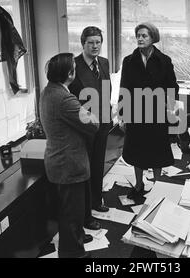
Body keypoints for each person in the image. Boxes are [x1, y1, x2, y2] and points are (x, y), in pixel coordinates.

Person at [39, 53, 99, 258]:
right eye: (74, 67)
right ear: (70, 74)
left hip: (59, 160)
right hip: (69, 164)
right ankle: (73, 253)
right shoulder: (64, 98)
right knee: (71, 214)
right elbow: (92, 124)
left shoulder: (49, 91)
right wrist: (91, 113)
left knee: (72, 208)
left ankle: (77, 237)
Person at [119, 22, 179, 199]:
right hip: (136, 112)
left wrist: (170, 109)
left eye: (144, 35)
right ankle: (139, 184)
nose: (140, 38)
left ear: (153, 38)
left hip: (157, 113)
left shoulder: (164, 60)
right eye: (138, 35)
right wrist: (122, 116)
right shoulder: (129, 61)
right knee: (137, 150)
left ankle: (158, 184)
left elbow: (172, 87)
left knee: (157, 149)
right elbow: (124, 89)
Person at [69, 26, 112, 214]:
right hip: (83, 127)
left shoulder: (103, 62)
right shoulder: (73, 66)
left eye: (98, 42)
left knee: (98, 164)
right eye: (91, 43)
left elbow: (106, 90)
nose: (95, 46)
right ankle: (85, 209)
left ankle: (96, 200)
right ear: (82, 44)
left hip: (102, 123)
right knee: (85, 169)